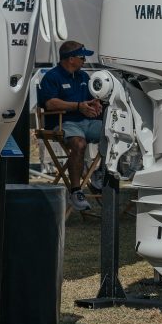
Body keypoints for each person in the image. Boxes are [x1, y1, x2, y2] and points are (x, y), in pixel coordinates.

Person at [38, 40, 103, 212]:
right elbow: (50, 104)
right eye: (82, 57)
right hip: (63, 123)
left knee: (113, 132)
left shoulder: (84, 76)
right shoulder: (51, 77)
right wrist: (78, 106)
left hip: (86, 122)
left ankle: (99, 173)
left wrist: (95, 104)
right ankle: (75, 191)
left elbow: (90, 99)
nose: (84, 61)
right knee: (78, 144)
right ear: (71, 58)